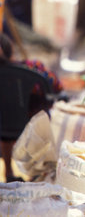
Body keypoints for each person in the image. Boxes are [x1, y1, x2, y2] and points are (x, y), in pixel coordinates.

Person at [0, 32, 62, 182]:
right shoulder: (33, 67)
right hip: (32, 125)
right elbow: (57, 86)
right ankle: (37, 172)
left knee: (6, 118)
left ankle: (8, 171)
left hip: (3, 127)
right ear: (11, 50)